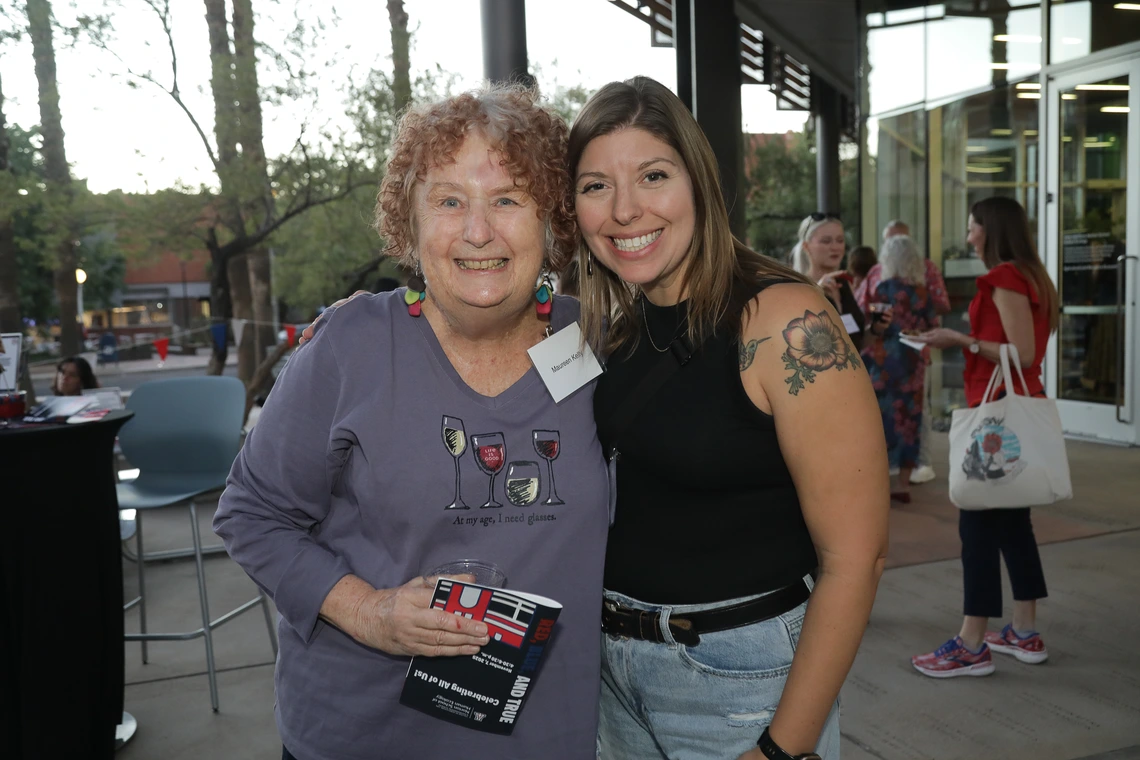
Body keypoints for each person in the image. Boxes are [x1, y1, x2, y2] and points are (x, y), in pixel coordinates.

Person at [214, 85, 610, 759]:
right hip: (368, 733)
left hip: (548, 736)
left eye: (508, 198)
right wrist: (371, 613)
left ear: (551, 222)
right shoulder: (351, 346)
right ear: (410, 220)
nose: (477, 231)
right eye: (449, 200)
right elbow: (251, 514)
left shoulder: (587, 342)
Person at [573, 77, 888, 760]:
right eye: (595, 185)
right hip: (608, 675)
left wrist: (781, 749)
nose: (625, 210)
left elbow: (856, 558)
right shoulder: (612, 324)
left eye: (652, 176)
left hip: (737, 682)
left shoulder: (782, 321)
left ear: (700, 183)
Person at [910, 196, 1057, 678]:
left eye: (973, 226)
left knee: (976, 524)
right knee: (1014, 524)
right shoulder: (1033, 276)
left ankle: (972, 642)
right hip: (1015, 406)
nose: (968, 235)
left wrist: (961, 340)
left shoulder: (1004, 278)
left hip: (996, 415)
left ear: (990, 229)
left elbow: (1024, 351)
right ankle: (1022, 630)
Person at [857, 220, 951, 486]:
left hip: (882, 355)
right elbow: (936, 315)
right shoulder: (923, 287)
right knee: (914, 414)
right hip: (914, 356)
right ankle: (911, 472)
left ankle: (881, 471)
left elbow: (862, 308)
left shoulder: (878, 283)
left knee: (881, 412)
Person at [790, 214, 866, 350]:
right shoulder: (798, 287)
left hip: (852, 370)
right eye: (826, 241)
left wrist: (876, 329)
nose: (835, 247)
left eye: (840, 240)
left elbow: (856, 342)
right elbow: (797, 341)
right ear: (806, 246)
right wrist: (817, 291)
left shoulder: (844, 283)